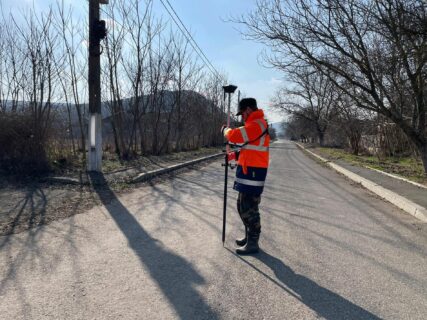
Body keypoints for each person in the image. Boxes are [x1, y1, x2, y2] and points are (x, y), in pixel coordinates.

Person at [221, 98, 270, 254]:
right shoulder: (253, 125)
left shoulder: (258, 123)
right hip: (249, 169)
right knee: (242, 205)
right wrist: (233, 156)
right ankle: (250, 237)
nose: (242, 117)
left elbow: (235, 135)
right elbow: (248, 148)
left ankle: (253, 242)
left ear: (248, 110)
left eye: (242, 113)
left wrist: (225, 131)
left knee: (249, 208)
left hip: (254, 172)